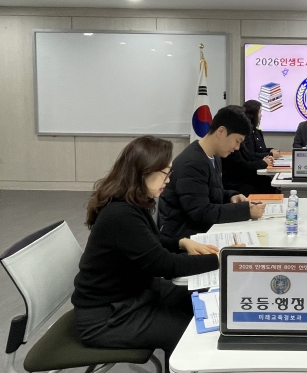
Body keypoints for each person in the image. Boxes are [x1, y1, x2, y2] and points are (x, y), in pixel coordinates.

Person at [71, 136, 224, 373]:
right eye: (165, 173)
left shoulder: (131, 201)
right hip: (107, 317)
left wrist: (182, 242)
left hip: (133, 294)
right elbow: (165, 265)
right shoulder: (120, 214)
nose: (168, 179)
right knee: (186, 335)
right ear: (144, 171)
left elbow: (150, 240)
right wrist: (219, 260)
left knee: (195, 298)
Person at [159, 105, 266, 240]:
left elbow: (209, 192)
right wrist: (246, 211)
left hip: (202, 229)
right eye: (237, 141)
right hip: (185, 236)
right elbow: (201, 212)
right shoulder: (192, 163)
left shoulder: (213, 156)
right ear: (221, 132)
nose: (237, 147)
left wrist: (231, 196)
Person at [221, 101, 280, 196]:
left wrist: (267, 155)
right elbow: (242, 166)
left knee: (268, 183)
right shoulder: (231, 141)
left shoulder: (242, 137)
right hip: (236, 182)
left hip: (244, 177)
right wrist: (265, 161)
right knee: (264, 185)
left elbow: (249, 156)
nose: (237, 147)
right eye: (260, 112)